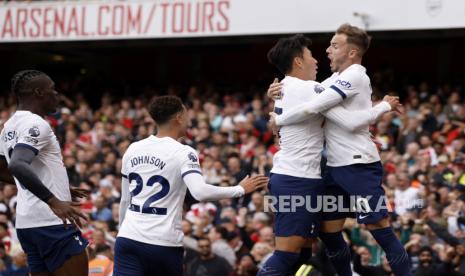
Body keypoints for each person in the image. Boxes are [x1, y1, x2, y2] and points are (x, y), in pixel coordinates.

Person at [267, 24, 411, 275]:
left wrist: (384, 107)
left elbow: (348, 120)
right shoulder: (331, 81)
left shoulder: (356, 74)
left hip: (358, 166)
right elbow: (310, 97)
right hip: (334, 168)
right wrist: (277, 93)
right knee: (328, 232)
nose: (326, 50)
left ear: (352, 53)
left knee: (380, 230)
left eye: (335, 45)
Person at [114, 95, 268, 276]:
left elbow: (125, 199)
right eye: (186, 115)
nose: (189, 120)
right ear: (178, 117)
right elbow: (200, 192)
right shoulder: (184, 152)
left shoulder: (133, 148)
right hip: (162, 242)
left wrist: (122, 233)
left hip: (128, 238)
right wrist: (240, 189)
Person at [0, 70, 89, 276]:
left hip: (26, 224)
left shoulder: (9, 127)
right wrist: (53, 200)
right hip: (51, 223)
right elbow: (17, 165)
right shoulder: (37, 124)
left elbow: (3, 170)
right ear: (39, 92)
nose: (57, 94)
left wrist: (55, 188)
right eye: (52, 90)